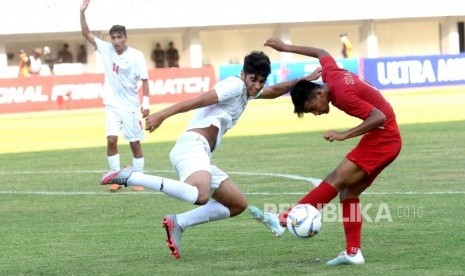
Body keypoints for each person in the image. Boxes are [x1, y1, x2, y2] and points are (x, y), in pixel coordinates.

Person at [100, 50, 322, 259]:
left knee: (236, 204)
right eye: (253, 79)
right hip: (192, 147)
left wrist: (302, 81)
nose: (257, 86)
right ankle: (131, 176)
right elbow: (198, 100)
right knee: (200, 195)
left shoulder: (247, 90)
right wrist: (162, 115)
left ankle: (178, 223)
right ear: (243, 74)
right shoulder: (234, 85)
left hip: (201, 153)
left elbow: (273, 92)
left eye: (261, 81)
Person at [248, 38, 402, 266]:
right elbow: (321, 52)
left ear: (319, 94)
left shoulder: (342, 94)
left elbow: (378, 117)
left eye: (313, 109)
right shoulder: (330, 76)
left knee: (335, 179)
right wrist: (286, 48)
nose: (316, 114)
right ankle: (353, 252)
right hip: (385, 137)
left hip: (384, 137)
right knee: (348, 193)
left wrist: (343, 134)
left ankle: (283, 220)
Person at [80, 0, 149, 192]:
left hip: (131, 106)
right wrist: (82, 12)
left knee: (134, 143)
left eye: (119, 37)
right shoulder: (106, 49)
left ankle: (138, 178)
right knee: (111, 140)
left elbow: (145, 80)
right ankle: (116, 177)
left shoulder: (137, 56)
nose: (116, 41)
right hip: (111, 104)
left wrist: (146, 103)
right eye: (113, 38)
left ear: (125, 38)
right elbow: (86, 34)